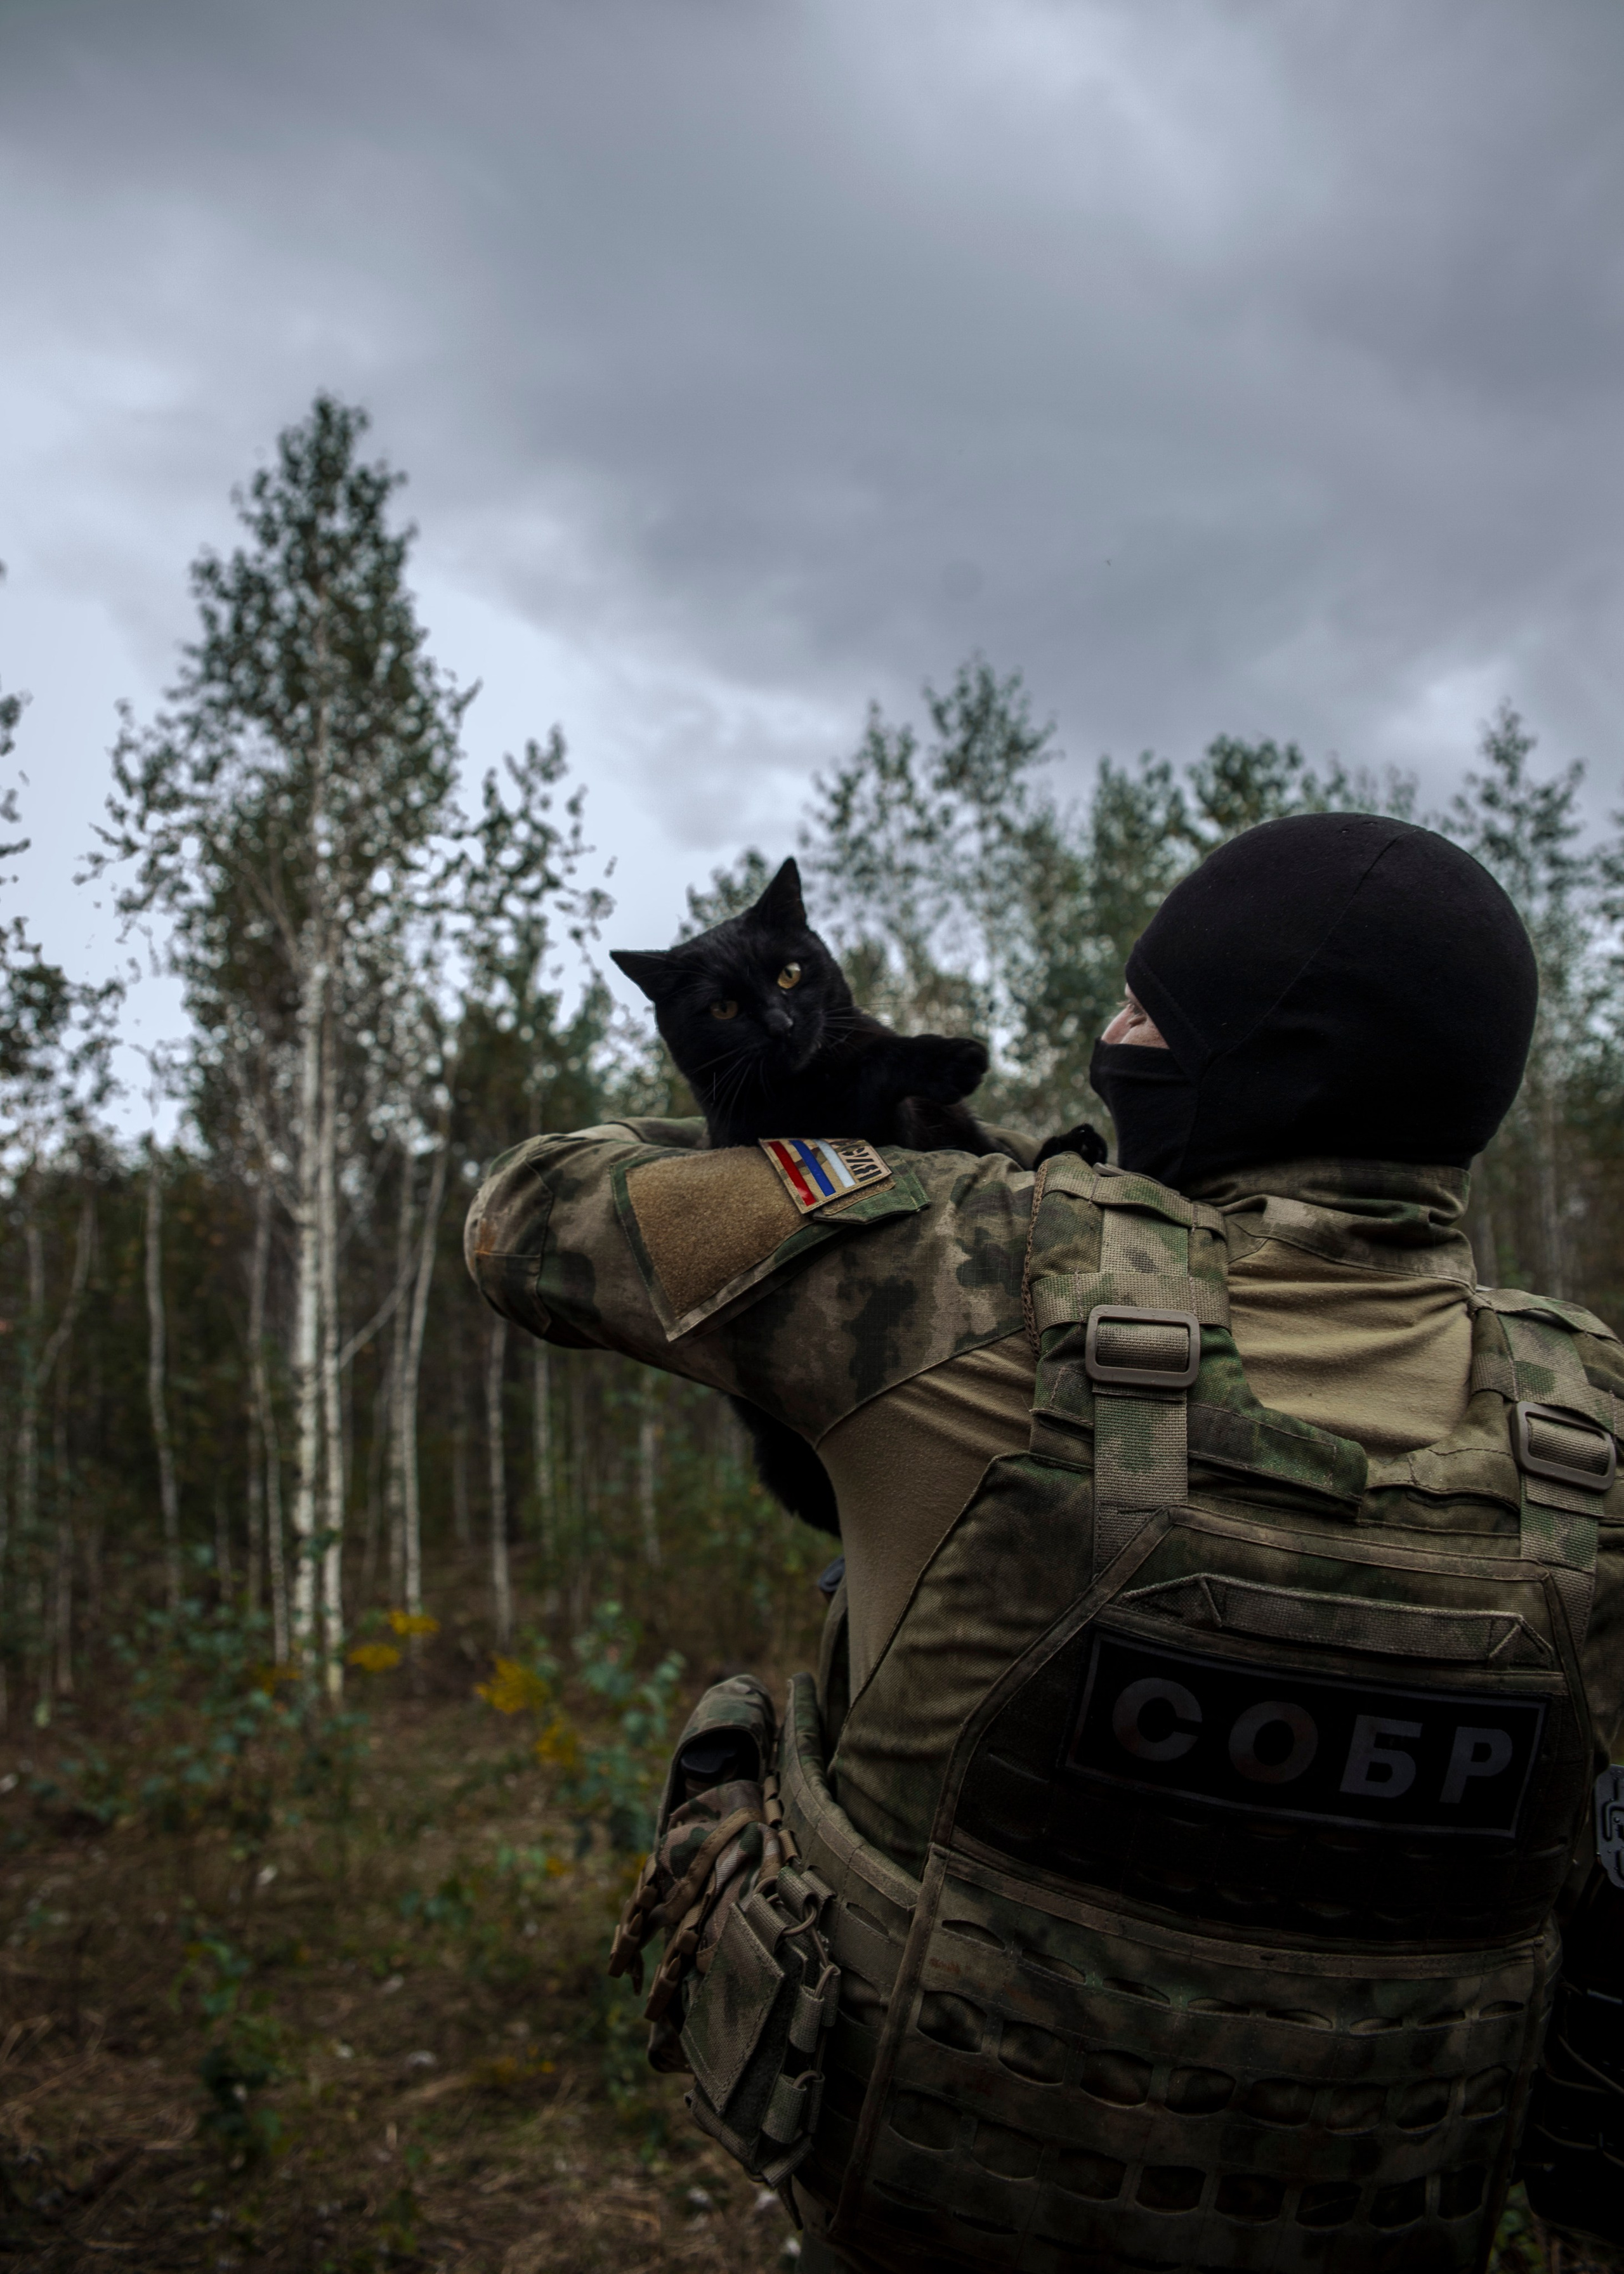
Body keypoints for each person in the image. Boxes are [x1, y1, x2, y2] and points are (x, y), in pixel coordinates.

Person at [466, 813, 1624, 2273]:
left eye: (1145, 1006)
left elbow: (519, 1214)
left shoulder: (952, 1274)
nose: (1101, 1036)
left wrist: (793, 1145)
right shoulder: (1594, 1442)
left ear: (1253, 1053)